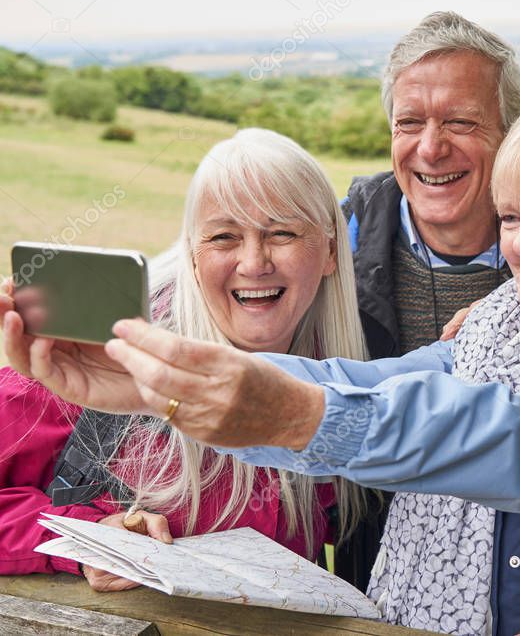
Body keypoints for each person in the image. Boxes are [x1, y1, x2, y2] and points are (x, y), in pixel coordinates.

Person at [2, 94, 520, 633]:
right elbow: (358, 386)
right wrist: (152, 387)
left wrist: (294, 415)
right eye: (510, 218)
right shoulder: (477, 348)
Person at [0, 127, 369, 591]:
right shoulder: (108, 354)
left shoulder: (342, 389)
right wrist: (87, 538)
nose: (254, 262)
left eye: (283, 232)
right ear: (193, 256)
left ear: (332, 250)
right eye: (223, 237)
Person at [344, 11, 520, 359]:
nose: (431, 149)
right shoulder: (334, 242)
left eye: (460, 122)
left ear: (512, 135)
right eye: (410, 123)